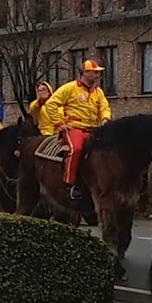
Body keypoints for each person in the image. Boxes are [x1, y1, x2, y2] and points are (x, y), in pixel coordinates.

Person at [45, 59, 111, 201]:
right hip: (75, 128)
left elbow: (104, 108)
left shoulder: (98, 92)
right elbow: (51, 104)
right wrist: (59, 123)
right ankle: (69, 184)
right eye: (95, 72)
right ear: (85, 72)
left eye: (98, 73)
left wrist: (105, 118)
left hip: (95, 128)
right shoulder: (69, 88)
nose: (97, 75)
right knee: (76, 149)